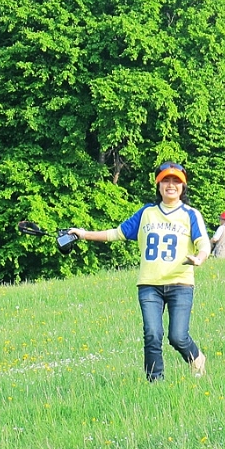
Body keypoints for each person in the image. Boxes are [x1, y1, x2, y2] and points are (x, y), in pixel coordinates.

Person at [68, 161, 210, 382]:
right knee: (152, 334)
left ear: (183, 187)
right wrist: (84, 234)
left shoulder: (190, 214)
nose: (170, 185)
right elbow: (116, 233)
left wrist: (199, 258)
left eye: (176, 181)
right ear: (158, 185)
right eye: (165, 180)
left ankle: (197, 358)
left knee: (177, 336)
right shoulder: (147, 213)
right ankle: (155, 382)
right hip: (149, 285)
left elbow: (204, 244)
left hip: (180, 283)